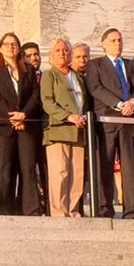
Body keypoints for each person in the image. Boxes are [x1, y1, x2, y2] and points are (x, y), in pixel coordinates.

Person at [85, 28, 134, 218]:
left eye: (119, 40)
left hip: (129, 121)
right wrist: (119, 104)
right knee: (104, 165)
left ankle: (131, 210)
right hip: (106, 121)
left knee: (130, 168)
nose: (117, 43)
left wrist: (133, 101)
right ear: (103, 43)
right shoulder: (95, 65)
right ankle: (105, 208)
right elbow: (95, 88)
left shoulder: (132, 65)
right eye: (112, 40)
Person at [0, 32, 43, 215]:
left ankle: (30, 210)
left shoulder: (28, 70)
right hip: (2, 126)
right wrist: (12, 116)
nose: (11, 47)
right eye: (7, 44)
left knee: (27, 168)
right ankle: (1, 210)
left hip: (26, 125)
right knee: (4, 169)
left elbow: (35, 95)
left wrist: (23, 114)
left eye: (14, 44)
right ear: (0, 48)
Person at [40, 38, 89, 218]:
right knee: (60, 172)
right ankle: (59, 212)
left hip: (78, 131)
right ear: (51, 56)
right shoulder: (49, 75)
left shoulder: (77, 77)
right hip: (58, 130)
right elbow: (47, 102)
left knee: (77, 173)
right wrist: (68, 116)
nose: (62, 53)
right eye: (58, 51)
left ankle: (73, 210)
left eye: (65, 51)